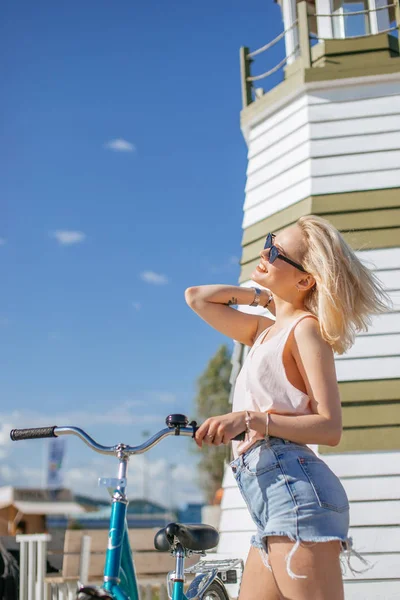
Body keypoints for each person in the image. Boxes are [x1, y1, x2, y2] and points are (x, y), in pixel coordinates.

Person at [185, 215, 391, 600]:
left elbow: (329, 427)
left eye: (277, 251)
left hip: (294, 491)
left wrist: (249, 419)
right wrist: (263, 297)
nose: (265, 252)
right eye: (268, 241)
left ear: (305, 279)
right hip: (268, 494)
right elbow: (197, 296)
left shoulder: (306, 329)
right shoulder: (264, 331)